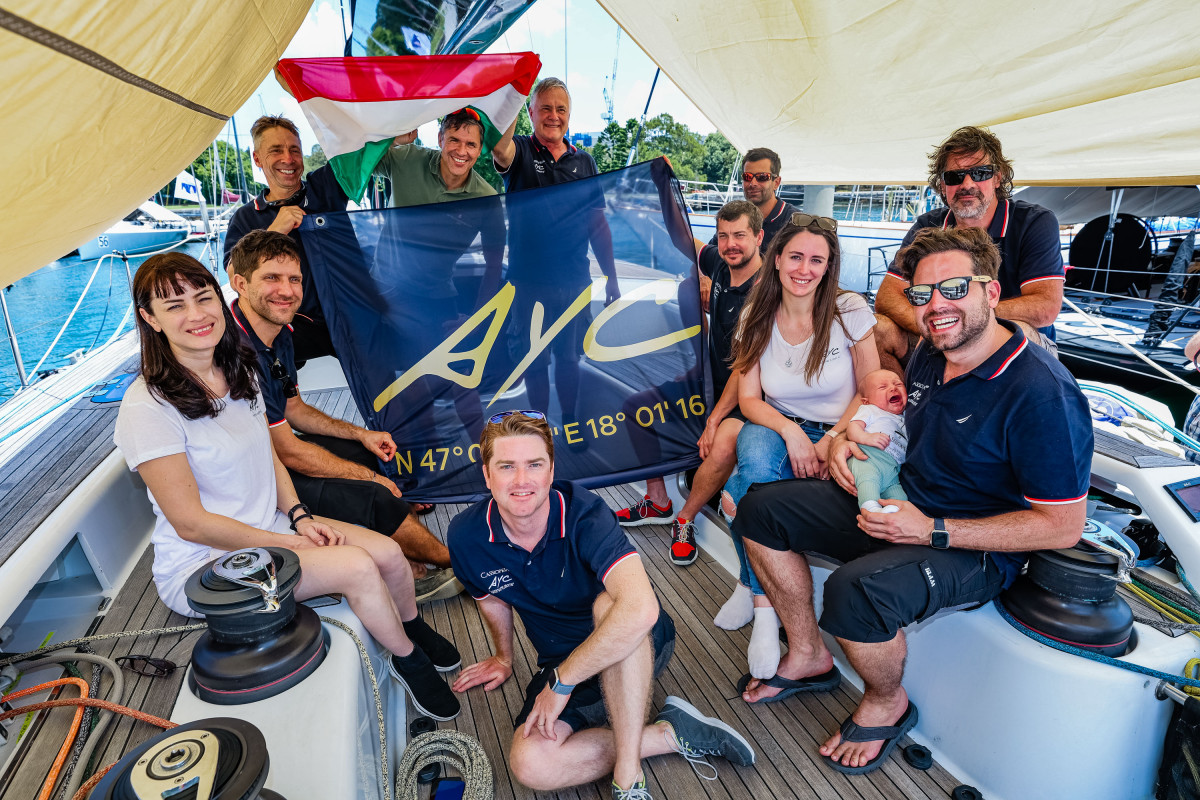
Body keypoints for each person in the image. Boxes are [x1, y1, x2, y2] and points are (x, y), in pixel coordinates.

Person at [735, 227, 1091, 776]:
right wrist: (845, 439)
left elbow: (1063, 525)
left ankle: (887, 702)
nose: (936, 306)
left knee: (855, 594)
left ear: (992, 293)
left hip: (972, 546)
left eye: (955, 289)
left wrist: (932, 530)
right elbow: (889, 418)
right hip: (900, 500)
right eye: (923, 295)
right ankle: (808, 653)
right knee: (759, 510)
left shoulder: (1041, 392)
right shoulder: (929, 353)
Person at [113, 252, 462, 721]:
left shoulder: (238, 371)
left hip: (273, 526)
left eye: (203, 297)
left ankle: (411, 626)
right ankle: (406, 660)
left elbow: (270, 455)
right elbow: (190, 523)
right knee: (359, 568)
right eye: (175, 305)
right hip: (206, 562)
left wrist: (299, 516)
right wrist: (288, 542)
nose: (196, 314)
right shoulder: (148, 408)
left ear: (220, 297)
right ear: (150, 319)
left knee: (389, 553)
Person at [446, 411, 756, 799]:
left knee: (612, 606)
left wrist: (562, 682)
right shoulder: (467, 536)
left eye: (535, 465)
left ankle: (628, 776)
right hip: (560, 660)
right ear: (487, 475)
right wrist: (504, 657)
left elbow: (640, 610)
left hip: (635, 645)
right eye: (507, 466)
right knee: (530, 763)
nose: (522, 480)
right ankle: (668, 734)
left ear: (551, 470)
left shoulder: (586, 514)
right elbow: (490, 597)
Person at [227, 230, 460, 604]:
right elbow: (287, 451)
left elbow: (294, 409)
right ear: (240, 283)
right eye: (271, 277)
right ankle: (455, 563)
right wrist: (371, 479)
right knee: (372, 491)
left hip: (275, 453)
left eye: (294, 279)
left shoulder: (279, 331)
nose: (286, 290)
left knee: (373, 454)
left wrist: (361, 435)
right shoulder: (237, 352)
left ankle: (406, 559)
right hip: (253, 482)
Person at [717, 213, 879, 679]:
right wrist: (791, 432)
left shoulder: (849, 310)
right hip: (775, 422)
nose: (804, 269)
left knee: (740, 489)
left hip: (841, 428)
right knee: (756, 459)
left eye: (816, 260)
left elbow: (870, 388)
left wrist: (831, 438)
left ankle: (749, 582)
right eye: (795, 257)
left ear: (829, 267)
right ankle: (765, 608)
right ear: (777, 259)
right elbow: (750, 399)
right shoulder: (756, 313)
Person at [614, 202, 764, 569]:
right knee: (636, 408)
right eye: (723, 235)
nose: (730, 244)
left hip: (748, 394)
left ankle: (684, 519)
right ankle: (657, 500)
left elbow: (745, 368)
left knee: (722, 443)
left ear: (759, 237)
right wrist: (663, 188)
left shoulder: (766, 293)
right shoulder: (720, 264)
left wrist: (714, 419)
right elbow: (684, 240)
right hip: (709, 381)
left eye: (740, 235)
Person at [873, 126, 1065, 374]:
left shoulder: (1033, 223)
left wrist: (960, 320)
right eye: (955, 177)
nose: (967, 184)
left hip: (1015, 340)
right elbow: (887, 298)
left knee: (1018, 331)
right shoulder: (927, 226)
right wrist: (938, 325)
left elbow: (1045, 307)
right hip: (940, 333)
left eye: (980, 173)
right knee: (877, 329)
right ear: (943, 184)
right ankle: (903, 398)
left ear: (998, 178)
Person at [372, 108, 507, 445]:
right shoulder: (406, 159)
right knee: (395, 386)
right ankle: (418, 460)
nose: (462, 151)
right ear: (440, 139)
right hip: (383, 294)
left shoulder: (486, 198)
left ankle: (486, 458)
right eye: (454, 140)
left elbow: (494, 265)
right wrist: (394, 137)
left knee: (462, 382)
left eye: (471, 144)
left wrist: (475, 320)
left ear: (480, 149)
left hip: (435, 297)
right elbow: (359, 157)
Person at [493, 77, 620, 420]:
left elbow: (598, 225)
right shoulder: (519, 150)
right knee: (533, 360)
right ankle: (541, 429)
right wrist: (517, 93)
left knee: (568, 359)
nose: (553, 115)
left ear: (569, 115)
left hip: (574, 282)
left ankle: (571, 422)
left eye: (560, 109)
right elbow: (499, 150)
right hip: (528, 283)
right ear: (531, 113)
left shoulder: (586, 162)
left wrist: (612, 277)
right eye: (545, 108)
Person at [224, 115, 345, 366]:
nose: (288, 159)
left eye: (294, 150)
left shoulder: (325, 186)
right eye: (276, 150)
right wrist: (275, 232)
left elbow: (360, 150)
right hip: (292, 327)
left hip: (348, 317)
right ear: (257, 158)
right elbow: (235, 275)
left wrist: (394, 135)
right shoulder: (246, 217)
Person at [706, 147, 800, 256]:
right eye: (747, 177)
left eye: (762, 177)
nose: (753, 183)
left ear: (776, 183)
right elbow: (711, 253)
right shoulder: (737, 216)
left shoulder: (795, 223)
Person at [844, 369, 909, 514]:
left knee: (899, 496)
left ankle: (896, 513)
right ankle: (871, 509)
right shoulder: (870, 410)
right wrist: (866, 438)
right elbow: (852, 428)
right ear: (866, 401)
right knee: (868, 480)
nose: (893, 388)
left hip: (892, 469)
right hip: (869, 458)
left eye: (898, 384)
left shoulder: (907, 416)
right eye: (883, 387)